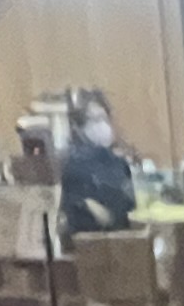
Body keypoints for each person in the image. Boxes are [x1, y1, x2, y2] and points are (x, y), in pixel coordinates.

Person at [58, 94, 138, 236]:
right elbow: (70, 203)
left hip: (123, 236)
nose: (102, 125)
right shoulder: (73, 166)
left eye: (104, 118)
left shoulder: (118, 162)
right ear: (81, 127)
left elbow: (130, 202)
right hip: (89, 240)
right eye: (95, 120)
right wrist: (88, 204)